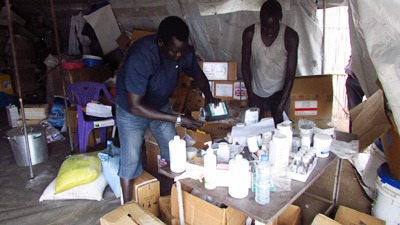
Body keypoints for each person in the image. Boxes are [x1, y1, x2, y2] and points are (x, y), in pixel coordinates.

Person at [115, 16, 219, 204]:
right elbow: (135, 106)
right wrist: (178, 119)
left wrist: (209, 95)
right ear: (161, 42)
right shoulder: (142, 55)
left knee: (174, 151)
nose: (179, 55)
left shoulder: (183, 51)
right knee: (130, 158)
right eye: (174, 51)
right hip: (131, 109)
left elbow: (198, 75)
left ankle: (174, 198)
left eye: (182, 50)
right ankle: (127, 206)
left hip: (159, 104)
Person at [241, 0, 299, 125]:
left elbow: (290, 74)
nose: (269, 31)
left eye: (273, 27)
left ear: (281, 18)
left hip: (280, 92)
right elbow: (245, 66)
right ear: (260, 19)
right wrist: (251, 96)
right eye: (265, 27)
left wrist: (281, 106)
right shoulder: (250, 33)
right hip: (256, 91)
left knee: (280, 131)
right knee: (254, 130)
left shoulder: (290, 36)